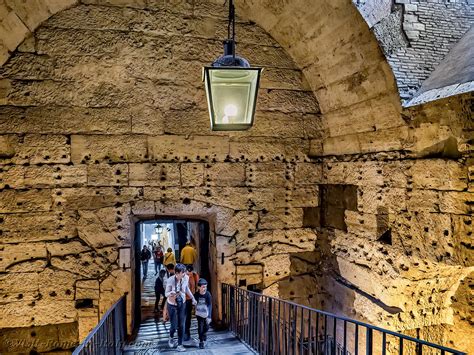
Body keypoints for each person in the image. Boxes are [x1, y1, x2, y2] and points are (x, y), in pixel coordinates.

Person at [165, 263, 197, 352]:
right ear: (177, 273)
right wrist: (171, 293)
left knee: (181, 325)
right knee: (174, 326)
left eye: (184, 272)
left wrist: (193, 298)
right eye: (182, 273)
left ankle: (180, 344)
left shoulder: (186, 278)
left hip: (182, 303)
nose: (184, 274)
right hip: (172, 305)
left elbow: (186, 289)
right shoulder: (170, 280)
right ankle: (171, 337)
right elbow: (166, 293)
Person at [194, 278, 212, 349]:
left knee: (206, 327)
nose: (205, 288)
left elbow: (210, 305)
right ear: (199, 287)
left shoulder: (208, 294)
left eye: (206, 287)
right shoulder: (196, 295)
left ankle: (204, 333)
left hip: (206, 314)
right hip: (199, 314)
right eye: (203, 287)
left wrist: (209, 316)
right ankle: (201, 341)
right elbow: (194, 303)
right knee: (200, 328)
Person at [184, 265, 199, 341]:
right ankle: (184, 332)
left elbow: (197, 287)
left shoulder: (195, 276)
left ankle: (187, 332)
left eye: (190, 272)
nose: (189, 274)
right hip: (183, 299)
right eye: (187, 272)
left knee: (188, 316)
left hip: (190, 299)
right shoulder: (183, 277)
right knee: (184, 316)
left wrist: (195, 298)